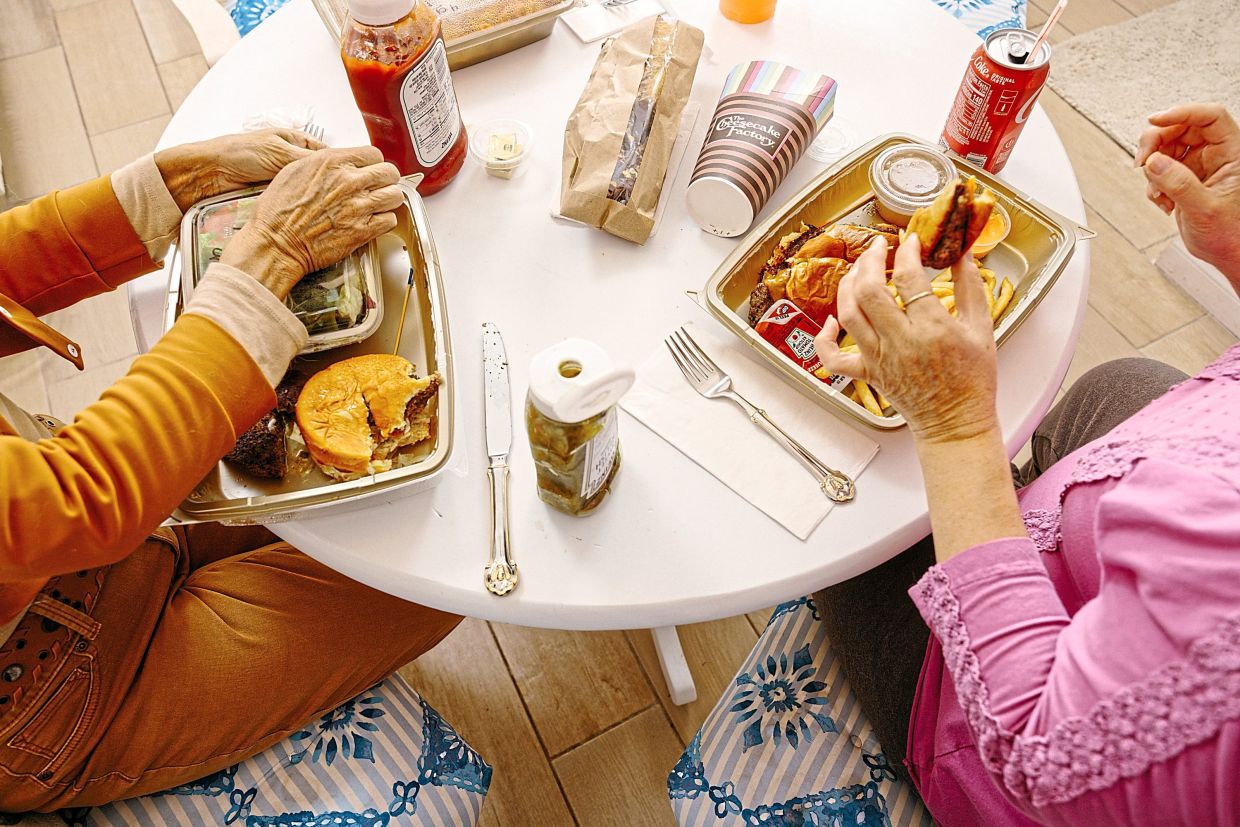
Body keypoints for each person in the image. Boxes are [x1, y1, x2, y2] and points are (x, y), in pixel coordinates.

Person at [797, 101, 1240, 826]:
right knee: (1122, 382)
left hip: (997, 728)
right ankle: (1024, 503)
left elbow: (1041, 756)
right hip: (1124, 541)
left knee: (861, 514)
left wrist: (954, 424)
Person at [0, 131, 460, 811]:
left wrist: (178, 183)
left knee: (411, 513)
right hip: (47, 682)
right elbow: (81, 500)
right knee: (440, 566)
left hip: (58, 516)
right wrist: (270, 256)